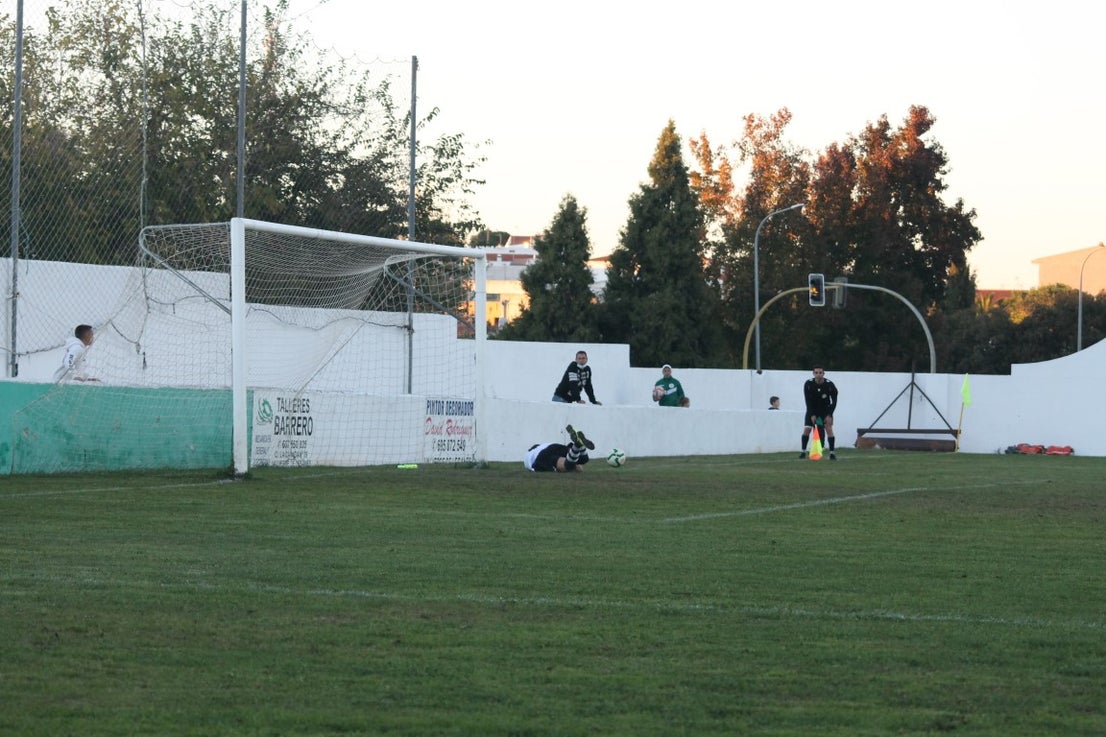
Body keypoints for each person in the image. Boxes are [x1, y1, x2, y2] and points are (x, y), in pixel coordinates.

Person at [799, 365, 838, 460]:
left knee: (828, 429)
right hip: (812, 410)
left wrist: (830, 414)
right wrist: (811, 414)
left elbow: (834, 401)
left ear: (823, 374)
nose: (818, 374)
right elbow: (807, 400)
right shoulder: (808, 384)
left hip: (824, 411)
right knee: (807, 429)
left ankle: (832, 453)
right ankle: (803, 451)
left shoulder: (829, 385)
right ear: (813, 374)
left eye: (820, 372)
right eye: (816, 372)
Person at [524, 424, 596, 472]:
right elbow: (579, 468)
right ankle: (579, 446)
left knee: (568, 466)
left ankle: (577, 445)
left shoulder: (529, 456)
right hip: (555, 446)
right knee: (582, 461)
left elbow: (535, 466)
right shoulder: (542, 445)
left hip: (542, 456)